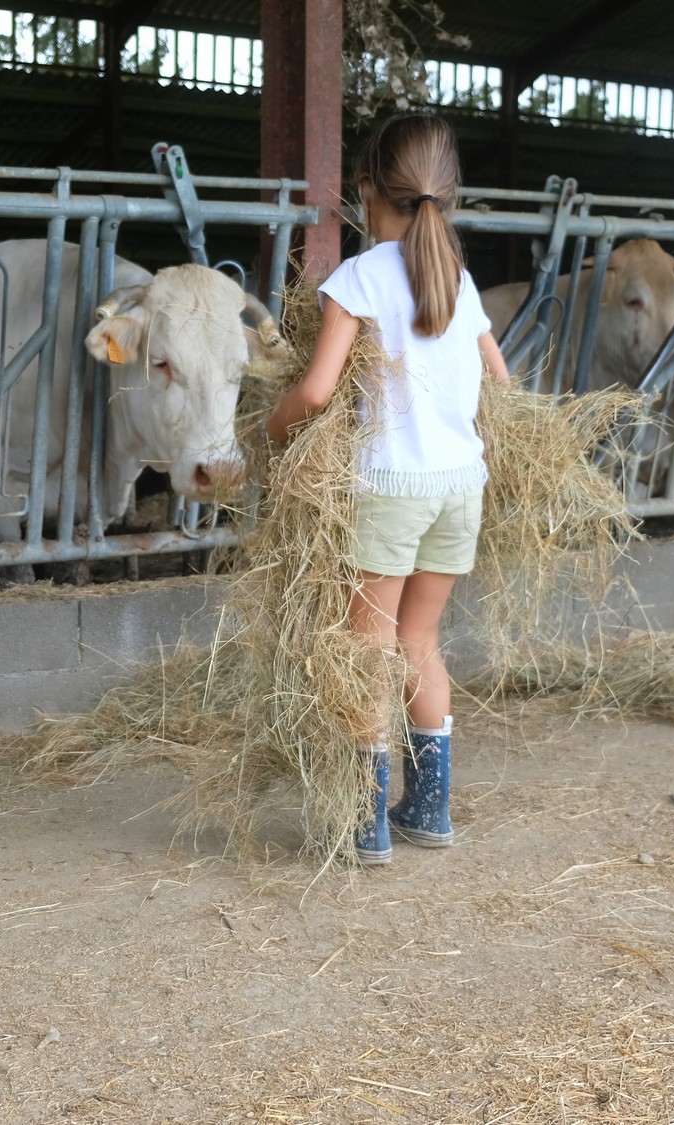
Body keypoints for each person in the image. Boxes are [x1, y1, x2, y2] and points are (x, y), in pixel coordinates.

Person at [265, 112, 511, 865]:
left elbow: (314, 389)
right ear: (449, 196)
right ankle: (428, 810)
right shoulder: (459, 279)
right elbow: (501, 384)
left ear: (369, 191)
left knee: (367, 651)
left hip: (391, 488)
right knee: (421, 643)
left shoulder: (362, 277)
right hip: (456, 486)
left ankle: (364, 823)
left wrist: (274, 431)